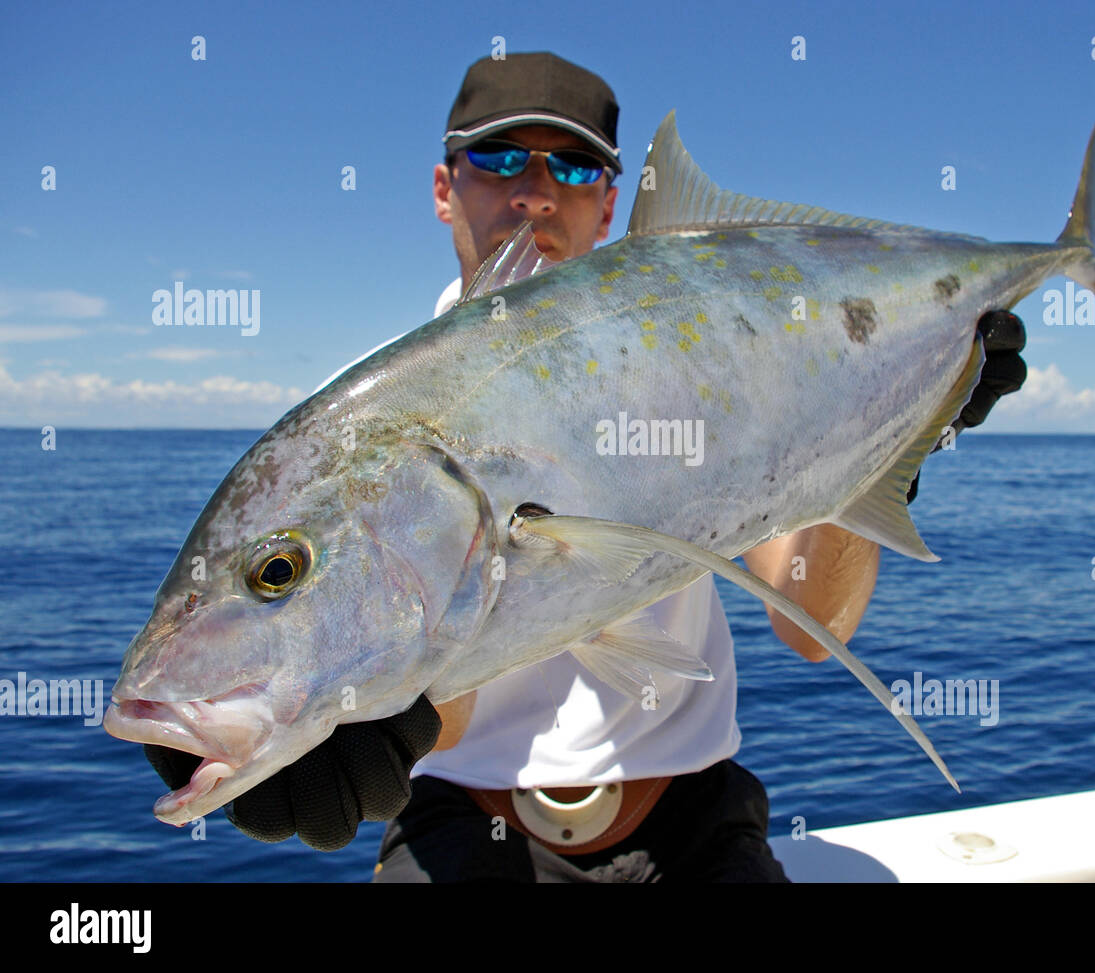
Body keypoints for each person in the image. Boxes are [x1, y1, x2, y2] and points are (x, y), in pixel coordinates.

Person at [144, 52, 1026, 882]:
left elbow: (809, 623)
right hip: (463, 829)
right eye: (499, 158)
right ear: (444, 188)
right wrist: (351, 716)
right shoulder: (359, 423)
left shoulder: (702, 345)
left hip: (692, 821)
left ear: (613, 204)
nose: (535, 190)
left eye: (572, 167)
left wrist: (891, 443)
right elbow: (441, 672)